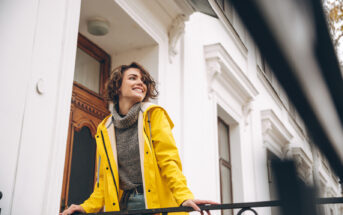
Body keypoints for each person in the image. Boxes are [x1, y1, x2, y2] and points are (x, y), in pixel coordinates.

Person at [61, 62, 216, 215]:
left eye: (143, 81)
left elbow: (169, 162)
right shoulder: (104, 128)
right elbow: (104, 181)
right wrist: (86, 207)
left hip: (154, 205)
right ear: (118, 86)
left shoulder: (154, 115)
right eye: (133, 78)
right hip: (123, 206)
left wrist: (184, 197)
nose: (140, 83)